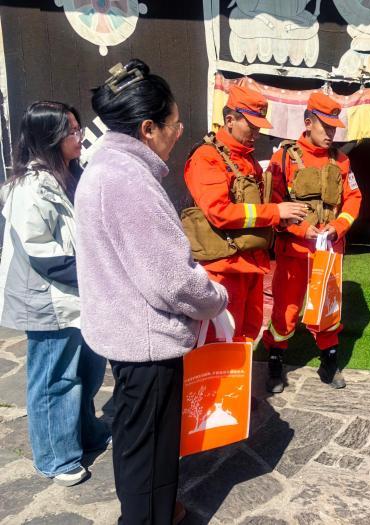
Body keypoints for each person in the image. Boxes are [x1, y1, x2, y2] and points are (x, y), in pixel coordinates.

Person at [75, 59, 229, 524]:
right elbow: (171, 280)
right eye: (174, 124)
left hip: (125, 331)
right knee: (152, 453)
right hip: (145, 341)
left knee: (137, 443)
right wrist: (216, 299)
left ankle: (148, 512)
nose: (178, 133)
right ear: (147, 128)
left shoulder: (107, 166)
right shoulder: (128, 180)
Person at [0, 101, 110, 486]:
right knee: (54, 379)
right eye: (71, 131)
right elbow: (45, 256)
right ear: (49, 137)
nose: (79, 136)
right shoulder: (29, 188)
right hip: (48, 299)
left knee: (88, 371)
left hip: (79, 294)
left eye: (78, 128)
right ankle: (55, 457)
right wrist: (100, 273)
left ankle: (85, 432)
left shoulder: (71, 174)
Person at [183, 84, 307, 341]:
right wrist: (275, 212)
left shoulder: (247, 160)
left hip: (251, 266)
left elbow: (256, 210)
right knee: (220, 342)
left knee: (247, 335)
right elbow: (219, 212)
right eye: (251, 126)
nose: (256, 133)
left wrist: (281, 221)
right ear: (229, 120)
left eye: (259, 127)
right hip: (223, 270)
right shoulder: (207, 158)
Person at [261, 92, 362, 393]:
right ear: (308, 123)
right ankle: (276, 359)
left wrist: (338, 226)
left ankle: (329, 359)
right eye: (325, 127)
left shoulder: (342, 161)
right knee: (286, 310)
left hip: (329, 250)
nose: (331, 134)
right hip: (294, 251)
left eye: (334, 128)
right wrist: (302, 229)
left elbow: (354, 199)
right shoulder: (283, 158)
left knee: (328, 309)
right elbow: (273, 203)